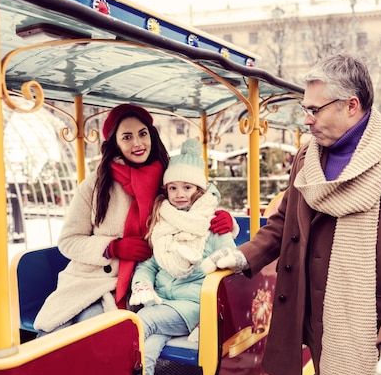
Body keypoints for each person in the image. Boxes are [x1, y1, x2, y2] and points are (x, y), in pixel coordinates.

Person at [201, 54, 381, 375]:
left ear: (351, 105)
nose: (306, 119)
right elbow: (286, 222)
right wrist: (244, 254)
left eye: (314, 110)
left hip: (373, 330)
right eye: (305, 108)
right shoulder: (308, 158)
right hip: (318, 320)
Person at [33, 104, 234, 334]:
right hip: (87, 279)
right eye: (127, 137)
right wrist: (112, 247)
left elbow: (202, 200)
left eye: (142, 134)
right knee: (51, 335)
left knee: (90, 334)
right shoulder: (96, 184)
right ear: (115, 143)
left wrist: (226, 220)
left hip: (138, 283)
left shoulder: (170, 178)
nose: (137, 143)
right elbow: (68, 241)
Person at [128, 138, 237, 375]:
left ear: (199, 190)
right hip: (161, 299)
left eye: (187, 187)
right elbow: (151, 263)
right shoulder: (162, 223)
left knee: (139, 324)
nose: (179, 194)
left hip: (192, 305)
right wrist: (142, 283)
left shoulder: (210, 224)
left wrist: (231, 228)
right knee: (147, 350)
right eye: (173, 187)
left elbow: (230, 259)